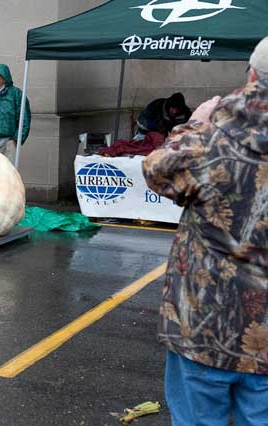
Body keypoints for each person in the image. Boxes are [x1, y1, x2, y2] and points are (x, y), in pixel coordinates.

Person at [142, 37, 268, 426]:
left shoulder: (213, 138)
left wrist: (195, 122)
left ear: (251, 75)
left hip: (203, 326)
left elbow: (156, 169)